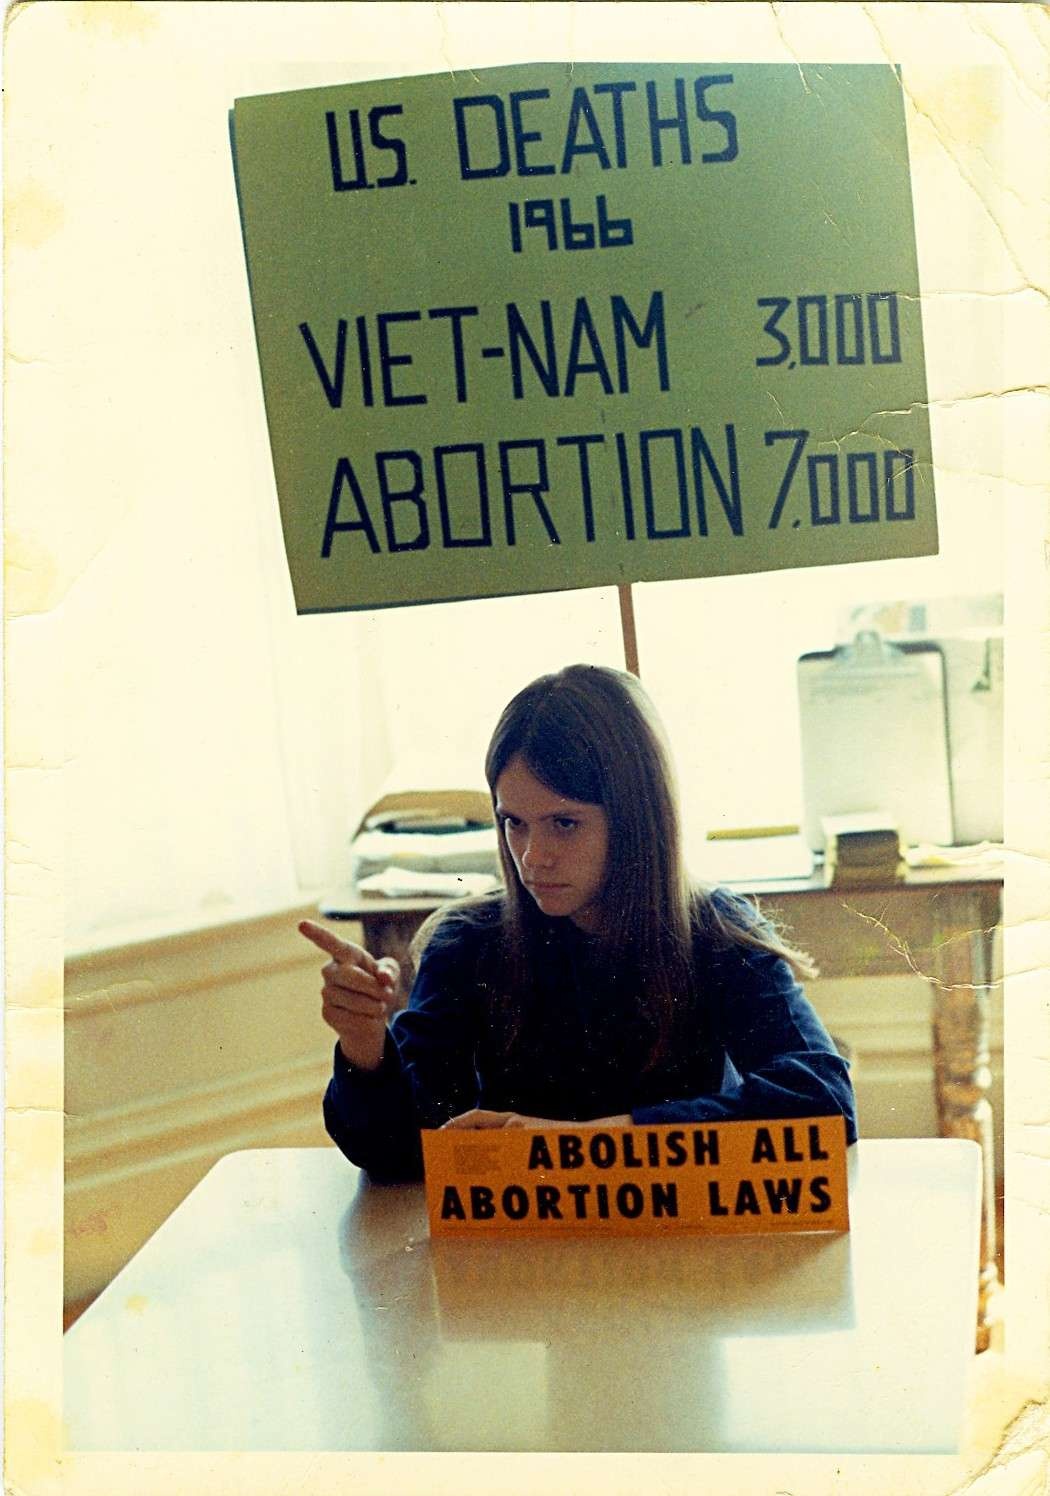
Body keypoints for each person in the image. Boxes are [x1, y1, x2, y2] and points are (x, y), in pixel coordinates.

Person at [303, 664, 857, 1182]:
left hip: (680, 1247)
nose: (532, 855)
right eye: (513, 823)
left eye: (564, 823)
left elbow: (826, 1099)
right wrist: (364, 1047)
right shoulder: (468, 942)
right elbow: (404, 1154)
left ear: (637, 821)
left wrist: (595, 1141)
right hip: (524, 1261)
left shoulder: (712, 931)